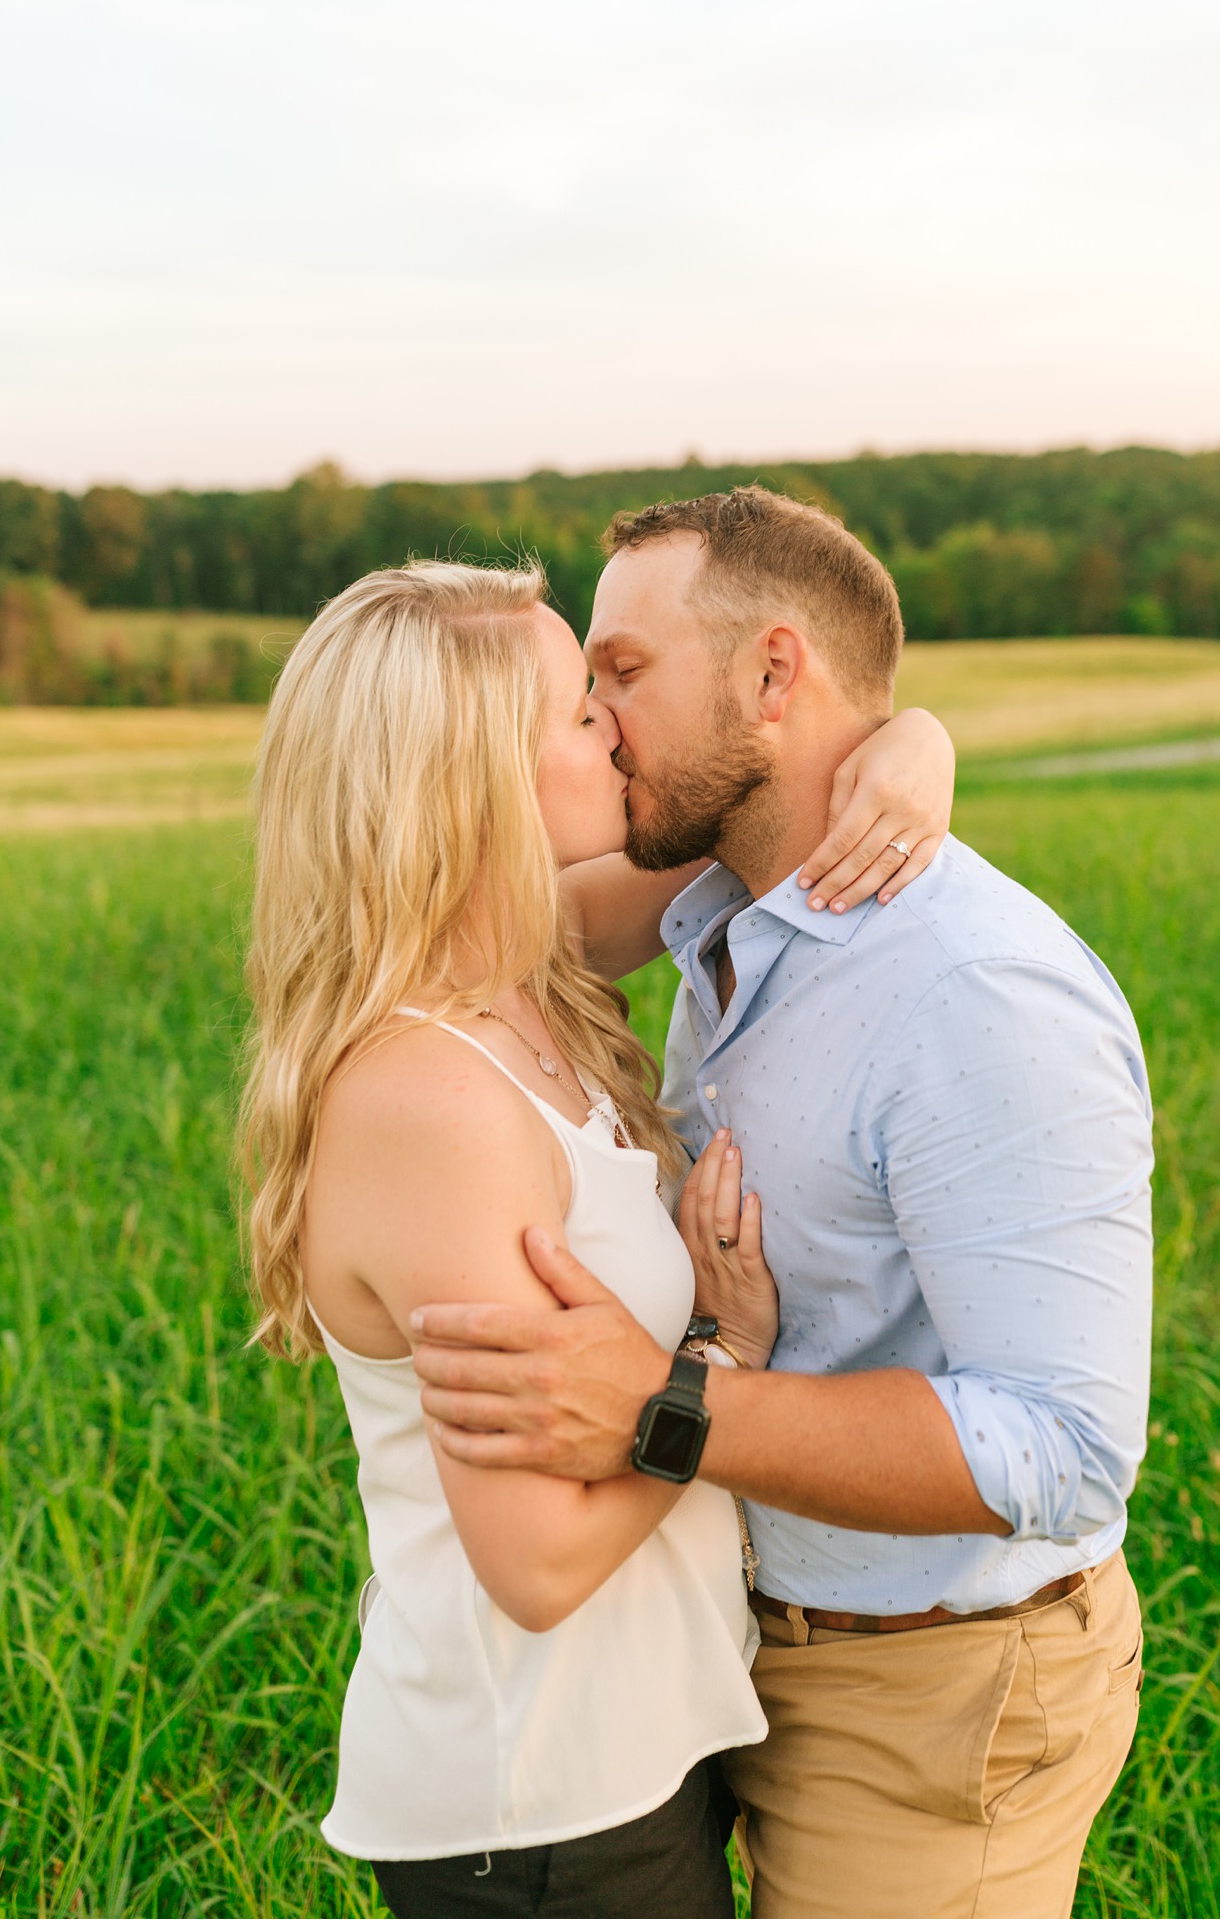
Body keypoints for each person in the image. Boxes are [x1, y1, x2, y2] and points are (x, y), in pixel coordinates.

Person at [412, 488, 1156, 1922]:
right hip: (742, 1649)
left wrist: (671, 1405)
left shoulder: (972, 988)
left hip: (936, 1684)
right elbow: (419, 914)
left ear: (769, 675)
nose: (594, 716)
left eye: (618, 672)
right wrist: (913, 734)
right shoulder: (712, 909)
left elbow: (1067, 1446)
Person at [238, 555, 958, 1920]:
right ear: (479, 781)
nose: (613, 728)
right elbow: (540, 1559)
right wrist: (719, 1352)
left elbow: (761, 831)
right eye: (578, 709)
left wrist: (908, 743)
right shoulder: (432, 1100)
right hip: (537, 1809)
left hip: (624, 1757)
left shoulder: (519, 966)